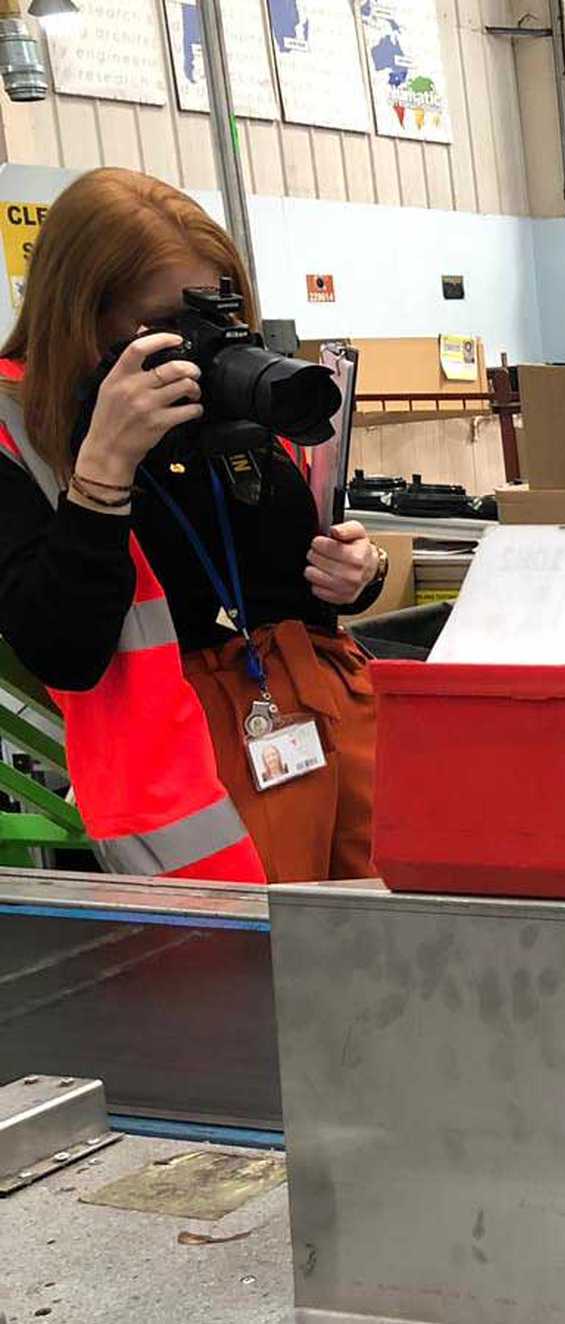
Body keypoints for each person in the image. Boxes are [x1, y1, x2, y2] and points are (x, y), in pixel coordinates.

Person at [0, 168, 389, 882]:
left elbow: (290, 586)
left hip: (324, 729)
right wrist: (102, 474)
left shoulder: (224, 398)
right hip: (189, 769)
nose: (201, 344)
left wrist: (358, 575)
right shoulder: (16, 432)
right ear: (82, 319)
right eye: (168, 323)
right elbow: (61, 651)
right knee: (240, 987)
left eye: (216, 312)